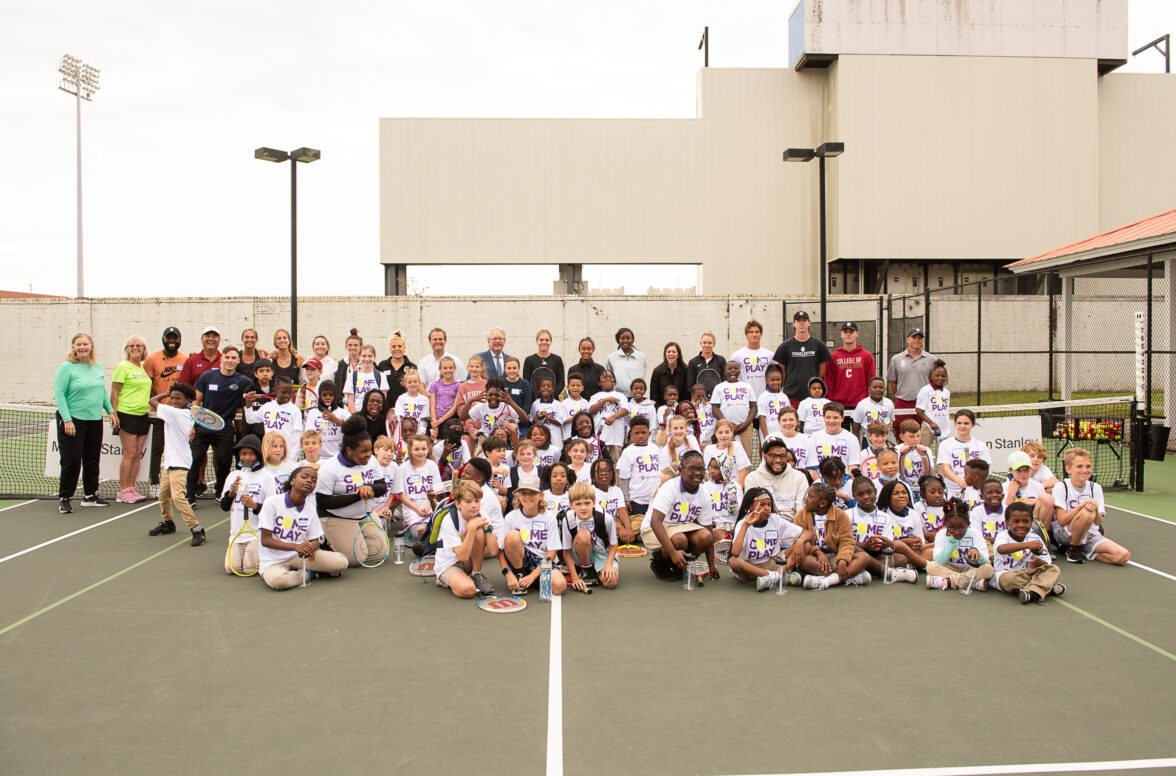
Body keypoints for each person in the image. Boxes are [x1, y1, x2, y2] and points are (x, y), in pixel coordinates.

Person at [54, 333, 118, 512]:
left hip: (94, 421)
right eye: (78, 344)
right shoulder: (66, 367)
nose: (82, 347)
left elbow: (102, 391)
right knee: (72, 460)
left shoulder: (95, 366)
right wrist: (67, 420)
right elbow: (59, 394)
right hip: (73, 420)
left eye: (85, 344)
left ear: (91, 346)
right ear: (73, 347)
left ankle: (90, 495)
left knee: (92, 459)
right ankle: (65, 498)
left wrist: (110, 411)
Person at [258, 465, 349, 590]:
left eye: (313, 480)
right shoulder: (272, 502)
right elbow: (266, 540)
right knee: (278, 581)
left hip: (299, 557)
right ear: (292, 481)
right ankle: (307, 575)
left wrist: (310, 548)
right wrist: (296, 547)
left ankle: (302, 572)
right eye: (304, 477)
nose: (309, 481)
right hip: (273, 561)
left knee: (341, 562)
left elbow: (315, 541)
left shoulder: (310, 508)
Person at [315, 415, 390, 567]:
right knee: (357, 559)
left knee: (379, 553)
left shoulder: (371, 461)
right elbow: (323, 502)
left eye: (369, 450)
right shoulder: (330, 468)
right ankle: (325, 542)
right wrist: (358, 495)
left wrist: (370, 488)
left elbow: (382, 486)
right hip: (336, 517)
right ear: (349, 451)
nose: (368, 455)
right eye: (363, 451)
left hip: (366, 515)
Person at [190, 346, 253, 502]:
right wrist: (192, 425)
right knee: (195, 459)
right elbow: (196, 400)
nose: (230, 361)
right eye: (227, 357)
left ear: (238, 361)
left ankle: (220, 491)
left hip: (225, 427)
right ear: (221, 359)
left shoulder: (243, 381)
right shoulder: (207, 376)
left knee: (224, 461)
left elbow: (256, 391)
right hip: (202, 426)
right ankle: (189, 495)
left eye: (233, 358)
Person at [642, 451, 716, 581]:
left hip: (681, 527)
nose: (698, 473)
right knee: (679, 540)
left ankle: (681, 560)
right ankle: (660, 562)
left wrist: (712, 565)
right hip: (654, 528)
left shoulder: (704, 493)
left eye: (701, 469)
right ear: (681, 470)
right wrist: (672, 552)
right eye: (692, 469)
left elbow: (708, 529)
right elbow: (655, 522)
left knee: (706, 537)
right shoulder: (669, 488)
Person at [1051, 447, 1130, 565]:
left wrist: (1096, 508)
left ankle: (1084, 550)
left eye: (1088, 466)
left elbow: (1098, 522)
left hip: (1090, 533)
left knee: (1123, 556)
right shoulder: (1061, 487)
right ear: (1068, 469)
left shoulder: (1095, 488)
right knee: (1087, 513)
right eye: (1079, 466)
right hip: (1066, 532)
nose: (1085, 470)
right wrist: (1081, 507)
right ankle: (1073, 548)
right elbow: (1062, 520)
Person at [146, 383, 202, 543]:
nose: (173, 400)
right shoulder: (181, 411)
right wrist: (172, 393)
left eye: (178, 397)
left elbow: (152, 400)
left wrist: (166, 392)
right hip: (169, 462)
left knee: (178, 498)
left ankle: (196, 528)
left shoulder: (177, 414)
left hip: (180, 463)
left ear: (188, 400)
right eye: (172, 397)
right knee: (163, 496)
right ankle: (168, 523)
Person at [793, 482, 872, 588]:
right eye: (807, 495)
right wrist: (818, 553)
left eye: (810, 496)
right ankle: (848, 577)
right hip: (815, 559)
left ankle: (827, 581)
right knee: (803, 561)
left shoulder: (840, 515)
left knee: (864, 558)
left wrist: (842, 561)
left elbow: (847, 541)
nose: (806, 499)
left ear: (823, 503)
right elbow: (800, 541)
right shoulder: (801, 515)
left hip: (835, 556)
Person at [499, 473, 567, 596]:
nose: (528, 497)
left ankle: (531, 580)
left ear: (541, 495)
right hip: (520, 559)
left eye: (532, 493)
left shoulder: (549, 517)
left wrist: (533, 575)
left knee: (559, 586)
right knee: (512, 536)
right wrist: (508, 574)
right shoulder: (511, 517)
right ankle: (519, 575)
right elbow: (500, 550)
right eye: (524, 493)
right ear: (518, 495)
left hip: (542, 561)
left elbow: (552, 552)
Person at [219, 434, 276, 576]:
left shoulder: (266, 477)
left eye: (251, 454)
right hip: (237, 534)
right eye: (243, 454)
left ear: (258, 455)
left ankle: (266, 554)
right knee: (231, 569)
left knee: (250, 568)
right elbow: (224, 506)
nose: (247, 458)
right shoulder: (233, 476)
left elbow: (272, 510)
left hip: (256, 534)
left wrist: (254, 505)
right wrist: (231, 492)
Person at [728, 488, 806, 591]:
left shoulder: (775, 519)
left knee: (805, 544)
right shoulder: (743, 524)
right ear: (751, 507)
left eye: (769, 505)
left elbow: (806, 533)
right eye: (762, 504)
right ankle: (777, 576)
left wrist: (800, 541)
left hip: (772, 562)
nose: (767, 508)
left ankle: (773, 577)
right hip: (750, 569)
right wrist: (745, 525)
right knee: (734, 561)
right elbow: (735, 553)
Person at [435, 479, 497, 598]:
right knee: (468, 590)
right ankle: (443, 579)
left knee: (479, 530)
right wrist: (471, 529)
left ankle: (476, 574)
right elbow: (462, 556)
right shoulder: (449, 521)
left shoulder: (482, 514)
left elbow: (493, 551)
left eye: (477, 501)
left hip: (468, 562)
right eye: (468, 502)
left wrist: (486, 528)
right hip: (449, 564)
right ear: (458, 504)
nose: (474, 505)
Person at [994, 502, 1066, 604]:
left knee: (1054, 569)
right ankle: (1044, 587)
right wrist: (1027, 545)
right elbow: (1001, 549)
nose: (1021, 525)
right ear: (1007, 522)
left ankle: (1032, 592)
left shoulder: (1035, 538)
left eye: (1026, 521)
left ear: (1031, 522)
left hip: (1031, 573)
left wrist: (1040, 562)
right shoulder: (1003, 536)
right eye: (1016, 521)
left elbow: (1047, 562)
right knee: (1009, 580)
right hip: (1009, 574)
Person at [143, 327, 186, 497]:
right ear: (163, 339)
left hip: (179, 414)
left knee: (179, 449)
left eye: (175, 338)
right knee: (157, 449)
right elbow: (147, 385)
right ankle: (154, 481)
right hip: (158, 413)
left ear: (179, 340)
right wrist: (161, 405)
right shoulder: (152, 359)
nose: (172, 341)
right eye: (169, 338)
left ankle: (179, 483)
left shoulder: (184, 358)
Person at [110, 335, 152, 503]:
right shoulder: (122, 367)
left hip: (143, 415)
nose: (135, 348)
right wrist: (113, 413)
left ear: (143, 349)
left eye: (139, 345)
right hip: (126, 414)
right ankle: (123, 491)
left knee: (137, 453)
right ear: (127, 349)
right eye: (132, 345)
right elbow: (114, 392)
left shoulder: (143, 368)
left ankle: (131, 488)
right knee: (129, 453)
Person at [559, 480, 621, 591]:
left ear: (594, 502)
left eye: (587, 503)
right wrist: (574, 578)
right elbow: (566, 551)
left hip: (601, 554)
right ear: (571, 505)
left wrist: (608, 565)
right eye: (578, 504)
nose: (583, 508)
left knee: (611, 583)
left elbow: (613, 544)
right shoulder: (568, 519)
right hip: (579, 553)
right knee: (584, 535)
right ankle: (586, 569)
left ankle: (596, 570)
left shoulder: (606, 518)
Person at [926, 498, 991, 590]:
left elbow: (986, 561)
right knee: (931, 566)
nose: (956, 532)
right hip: (950, 568)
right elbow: (939, 561)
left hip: (970, 568)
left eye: (961, 528)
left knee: (988, 569)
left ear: (968, 524)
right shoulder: (941, 534)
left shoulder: (975, 534)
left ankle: (949, 581)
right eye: (952, 528)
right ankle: (970, 582)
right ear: (945, 524)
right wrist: (951, 543)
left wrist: (978, 554)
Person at [616, 416, 661, 540]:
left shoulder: (655, 449)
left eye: (643, 433)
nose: (640, 436)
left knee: (652, 526)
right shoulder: (628, 452)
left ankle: (635, 533)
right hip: (636, 501)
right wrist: (626, 498)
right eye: (637, 433)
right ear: (631, 435)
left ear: (649, 433)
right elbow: (624, 478)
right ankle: (618, 533)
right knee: (641, 526)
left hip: (654, 500)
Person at [774, 311, 831, 407]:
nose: (801, 323)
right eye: (798, 320)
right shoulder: (785, 346)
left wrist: (814, 387)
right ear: (793, 324)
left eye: (804, 320)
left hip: (813, 397)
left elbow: (822, 371)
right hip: (791, 395)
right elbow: (780, 370)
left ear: (809, 323)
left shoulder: (819, 345)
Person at [743, 437, 809, 521]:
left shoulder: (799, 477)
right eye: (773, 456)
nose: (778, 460)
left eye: (782, 456)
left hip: (793, 525)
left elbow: (802, 509)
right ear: (765, 457)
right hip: (764, 524)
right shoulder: (752, 478)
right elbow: (753, 509)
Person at [886, 328, 936, 437]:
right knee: (900, 434)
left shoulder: (931, 359)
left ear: (923, 340)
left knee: (921, 436)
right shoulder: (897, 359)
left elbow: (935, 382)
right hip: (902, 403)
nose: (917, 340)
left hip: (924, 405)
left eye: (920, 338)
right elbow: (892, 381)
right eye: (914, 337)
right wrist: (897, 396)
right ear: (908, 339)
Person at [245, 375, 304, 463]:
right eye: (283, 392)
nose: (287, 396)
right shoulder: (267, 407)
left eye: (289, 392)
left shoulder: (294, 410)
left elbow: (297, 438)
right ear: (275, 391)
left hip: (286, 458)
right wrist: (248, 403)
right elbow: (250, 419)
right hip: (268, 456)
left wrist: (291, 460)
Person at [935, 409, 991, 499]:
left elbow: (985, 469)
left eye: (966, 423)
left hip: (975, 490)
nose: (962, 426)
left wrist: (972, 484)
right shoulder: (946, 444)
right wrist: (960, 482)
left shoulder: (980, 445)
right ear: (955, 424)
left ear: (972, 424)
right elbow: (945, 468)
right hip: (952, 490)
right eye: (959, 423)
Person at [825, 322, 876, 413]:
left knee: (861, 427)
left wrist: (869, 399)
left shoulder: (866, 356)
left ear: (857, 334)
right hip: (839, 405)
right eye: (845, 332)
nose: (848, 334)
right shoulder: (834, 357)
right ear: (841, 334)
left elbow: (871, 380)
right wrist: (831, 401)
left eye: (851, 332)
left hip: (861, 404)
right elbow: (829, 381)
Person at [399, 434, 441, 541]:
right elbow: (401, 495)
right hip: (412, 509)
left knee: (439, 531)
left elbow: (436, 489)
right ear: (410, 450)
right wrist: (417, 509)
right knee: (422, 533)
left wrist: (428, 507)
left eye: (423, 448)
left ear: (428, 449)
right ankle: (409, 523)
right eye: (416, 449)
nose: (420, 452)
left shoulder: (432, 465)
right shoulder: (403, 468)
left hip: (429, 507)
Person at [711, 360, 757, 458]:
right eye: (729, 368)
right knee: (727, 454)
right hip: (726, 427)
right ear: (725, 371)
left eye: (735, 368)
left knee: (746, 454)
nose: (733, 371)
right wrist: (726, 423)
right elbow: (715, 407)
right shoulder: (719, 387)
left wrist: (746, 423)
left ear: (739, 371)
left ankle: (746, 473)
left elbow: (753, 406)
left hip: (745, 425)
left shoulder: (747, 386)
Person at [810, 403, 862, 472]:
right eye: (828, 417)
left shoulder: (851, 439)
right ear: (823, 418)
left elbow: (853, 467)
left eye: (835, 418)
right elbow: (811, 467)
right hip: (820, 481)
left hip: (844, 480)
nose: (831, 421)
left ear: (842, 418)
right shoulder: (814, 437)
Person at [588, 370, 628, 462]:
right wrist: (604, 400)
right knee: (600, 462)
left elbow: (625, 410)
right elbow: (591, 411)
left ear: (614, 381)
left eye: (610, 377)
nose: (608, 379)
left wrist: (614, 417)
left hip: (616, 438)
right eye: (604, 377)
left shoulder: (621, 396)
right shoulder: (595, 397)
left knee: (614, 463)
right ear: (599, 382)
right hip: (600, 438)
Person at [731, 319, 776, 399]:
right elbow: (732, 379)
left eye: (757, 332)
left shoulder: (770, 355)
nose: (754, 334)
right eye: (751, 332)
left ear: (761, 334)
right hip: (745, 398)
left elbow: (775, 376)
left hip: (765, 397)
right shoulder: (737, 356)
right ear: (746, 335)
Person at [345, 344, 389, 413]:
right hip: (358, 414)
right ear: (359, 357)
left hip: (374, 416)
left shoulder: (381, 376)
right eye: (364, 356)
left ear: (374, 358)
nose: (367, 359)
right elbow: (350, 401)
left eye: (370, 356)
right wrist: (355, 417)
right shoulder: (352, 376)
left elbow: (382, 400)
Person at [377, 330, 416, 407]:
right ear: (390, 348)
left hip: (406, 408)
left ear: (404, 348)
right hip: (386, 409)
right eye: (393, 346)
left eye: (399, 346)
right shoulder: (382, 365)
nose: (397, 349)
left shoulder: (412, 367)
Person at [915, 359, 951, 442]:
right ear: (931, 376)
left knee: (943, 451)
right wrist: (931, 423)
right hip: (928, 426)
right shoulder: (925, 390)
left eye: (943, 376)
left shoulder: (946, 392)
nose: (940, 378)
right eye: (937, 375)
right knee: (924, 451)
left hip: (943, 426)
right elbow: (919, 410)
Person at [604, 327, 645, 399]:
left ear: (632, 340)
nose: (625, 340)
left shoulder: (641, 357)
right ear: (618, 340)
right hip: (619, 397)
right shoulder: (611, 358)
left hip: (637, 397)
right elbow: (608, 378)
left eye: (628, 338)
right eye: (622, 338)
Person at [523, 328, 565, 397]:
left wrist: (551, 396)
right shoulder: (529, 360)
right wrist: (535, 397)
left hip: (553, 400)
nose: (544, 342)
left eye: (547, 340)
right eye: (541, 340)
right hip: (535, 401)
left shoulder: (557, 360)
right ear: (537, 341)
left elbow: (561, 382)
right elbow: (526, 382)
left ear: (551, 341)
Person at [852, 377, 895, 442]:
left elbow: (891, 420)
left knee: (892, 451)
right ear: (869, 389)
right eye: (875, 387)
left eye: (881, 387)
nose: (878, 389)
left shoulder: (889, 403)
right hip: (867, 434)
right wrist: (856, 441)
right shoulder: (861, 404)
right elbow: (856, 424)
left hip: (885, 434)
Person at [649, 342, 689, 410]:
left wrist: (681, 409)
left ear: (678, 355)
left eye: (674, 352)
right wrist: (659, 410)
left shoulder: (685, 370)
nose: (671, 354)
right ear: (665, 354)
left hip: (680, 409)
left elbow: (687, 394)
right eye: (668, 352)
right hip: (661, 409)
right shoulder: (657, 371)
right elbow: (654, 395)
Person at [757, 364, 789, 443]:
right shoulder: (763, 397)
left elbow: (789, 414)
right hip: (770, 433)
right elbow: (762, 418)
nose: (776, 382)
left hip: (783, 433)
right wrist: (766, 436)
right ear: (767, 381)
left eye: (778, 380)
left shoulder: (784, 397)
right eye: (772, 380)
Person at [429, 356, 463, 432]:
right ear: (440, 369)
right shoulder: (434, 385)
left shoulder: (458, 386)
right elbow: (432, 406)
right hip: (436, 421)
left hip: (451, 421)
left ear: (454, 369)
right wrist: (435, 424)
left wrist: (440, 421)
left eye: (450, 368)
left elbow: (455, 408)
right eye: (445, 368)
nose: (448, 370)